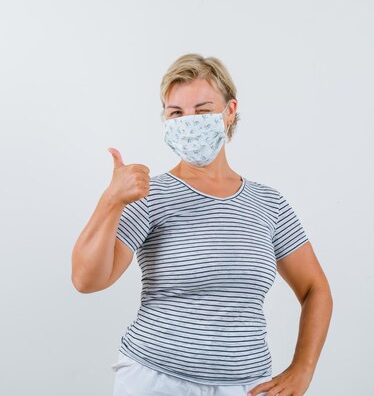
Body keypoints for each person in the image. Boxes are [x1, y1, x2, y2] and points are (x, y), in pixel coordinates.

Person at [71, 53, 333, 396]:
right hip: (157, 380)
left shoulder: (269, 204)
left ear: (229, 111)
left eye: (203, 109)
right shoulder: (150, 195)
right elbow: (87, 280)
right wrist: (111, 200)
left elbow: (316, 289)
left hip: (248, 386)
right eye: (176, 113)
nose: (188, 121)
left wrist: (303, 369)